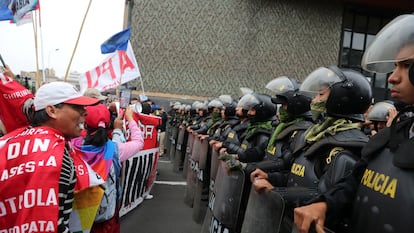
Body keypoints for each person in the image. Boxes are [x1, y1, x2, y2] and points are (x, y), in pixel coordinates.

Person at [294, 14, 414, 233]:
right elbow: (356, 182)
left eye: (406, 66)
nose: (392, 77)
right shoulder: (396, 133)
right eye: (395, 66)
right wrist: (326, 204)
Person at [0, 82, 100, 232]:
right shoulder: (57, 157)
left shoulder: (9, 142)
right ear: (52, 111)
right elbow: (52, 225)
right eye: (77, 107)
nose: (85, 112)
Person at [71, 103, 144, 233]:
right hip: (105, 214)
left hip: (76, 211)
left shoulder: (71, 145)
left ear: (85, 124)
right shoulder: (114, 149)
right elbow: (139, 142)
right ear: (108, 123)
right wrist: (130, 119)